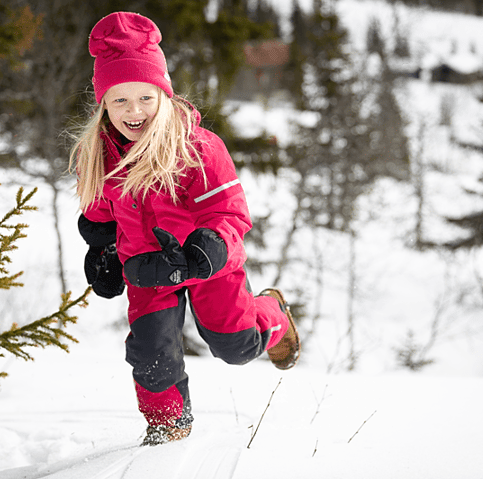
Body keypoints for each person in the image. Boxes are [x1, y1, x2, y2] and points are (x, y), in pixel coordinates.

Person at [69, 11, 300, 447]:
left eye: (144, 97)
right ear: (103, 104)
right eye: (119, 100)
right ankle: (168, 426)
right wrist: (100, 250)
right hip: (145, 267)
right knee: (151, 355)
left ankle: (272, 316)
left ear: (164, 95)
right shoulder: (97, 154)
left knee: (235, 346)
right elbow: (100, 208)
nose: (133, 111)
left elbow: (230, 212)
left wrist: (211, 244)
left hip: (207, 259)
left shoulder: (198, 147)